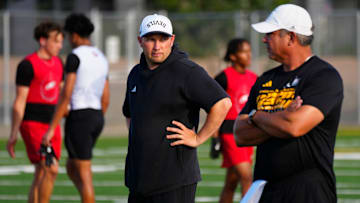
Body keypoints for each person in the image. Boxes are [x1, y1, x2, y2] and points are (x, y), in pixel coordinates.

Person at [233, 4, 343, 203]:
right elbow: (240, 134)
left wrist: (256, 116)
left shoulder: (323, 76)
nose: (264, 39)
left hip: (310, 193)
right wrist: (282, 115)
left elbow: (294, 126)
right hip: (266, 190)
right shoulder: (265, 79)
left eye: (271, 34)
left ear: (291, 37)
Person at [122, 14, 232, 203]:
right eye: (150, 39)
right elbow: (130, 114)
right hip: (139, 180)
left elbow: (222, 103)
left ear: (172, 40)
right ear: (140, 40)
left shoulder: (186, 71)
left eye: (163, 39)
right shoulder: (135, 74)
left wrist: (198, 138)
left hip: (173, 181)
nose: (157, 46)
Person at [42, 13, 110, 203]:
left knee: (83, 173)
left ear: (74, 35)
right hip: (96, 115)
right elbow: (106, 96)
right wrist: (97, 117)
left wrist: (51, 129)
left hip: (80, 116)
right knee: (73, 167)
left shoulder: (75, 56)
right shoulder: (101, 57)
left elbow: (66, 94)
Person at [6, 22, 64, 203]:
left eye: (61, 42)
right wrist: (14, 133)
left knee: (41, 172)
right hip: (32, 124)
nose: (60, 46)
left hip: (52, 125)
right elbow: (19, 102)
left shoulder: (59, 63)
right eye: (56, 41)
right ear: (42, 41)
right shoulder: (27, 65)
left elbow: (61, 95)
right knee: (50, 168)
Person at [212, 38, 257, 202]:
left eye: (249, 51)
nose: (249, 55)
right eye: (244, 51)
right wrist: (214, 135)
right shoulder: (223, 78)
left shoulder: (254, 78)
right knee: (247, 177)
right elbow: (213, 107)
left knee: (231, 182)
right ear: (233, 56)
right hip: (229, 134)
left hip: (248, 135)